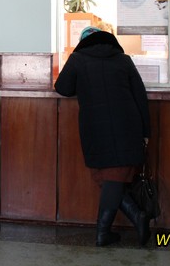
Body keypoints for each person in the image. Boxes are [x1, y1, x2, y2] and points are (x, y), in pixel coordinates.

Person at [54, 27, 151, 247]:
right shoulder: (123, 60)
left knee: (109, 176)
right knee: (111, 177)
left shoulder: (77, 59)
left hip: (94, 126)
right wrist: (146, 132)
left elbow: (62, 88)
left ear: (82, 43)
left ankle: (104, 232)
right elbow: (140, 97)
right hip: (126, 124)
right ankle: (135, 217)